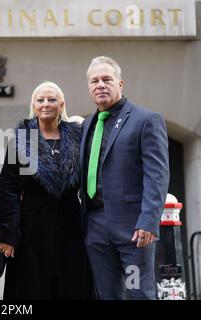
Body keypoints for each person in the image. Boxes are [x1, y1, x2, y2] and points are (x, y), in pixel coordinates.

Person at [80, 56, 169, 299]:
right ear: (89, 87)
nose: (100, 85)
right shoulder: (87, 124)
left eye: (107, 79)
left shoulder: (145, 120)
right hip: (95, 227)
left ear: (120, 84)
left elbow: (157, 174)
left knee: (138, 292)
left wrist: (148, 221)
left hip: (132, 229)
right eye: (94, 81)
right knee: (108, 295)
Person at [0, 81, 92, 300]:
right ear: (33, 105)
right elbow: (9, 189)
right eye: (40, 100)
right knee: (31, 289)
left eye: (51, 99)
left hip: (70, 227)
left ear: (61, 104)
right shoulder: (20, 141)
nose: (46, 104)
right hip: (30, 230)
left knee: (70, 288)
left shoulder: (78, 137)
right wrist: (8, 234)